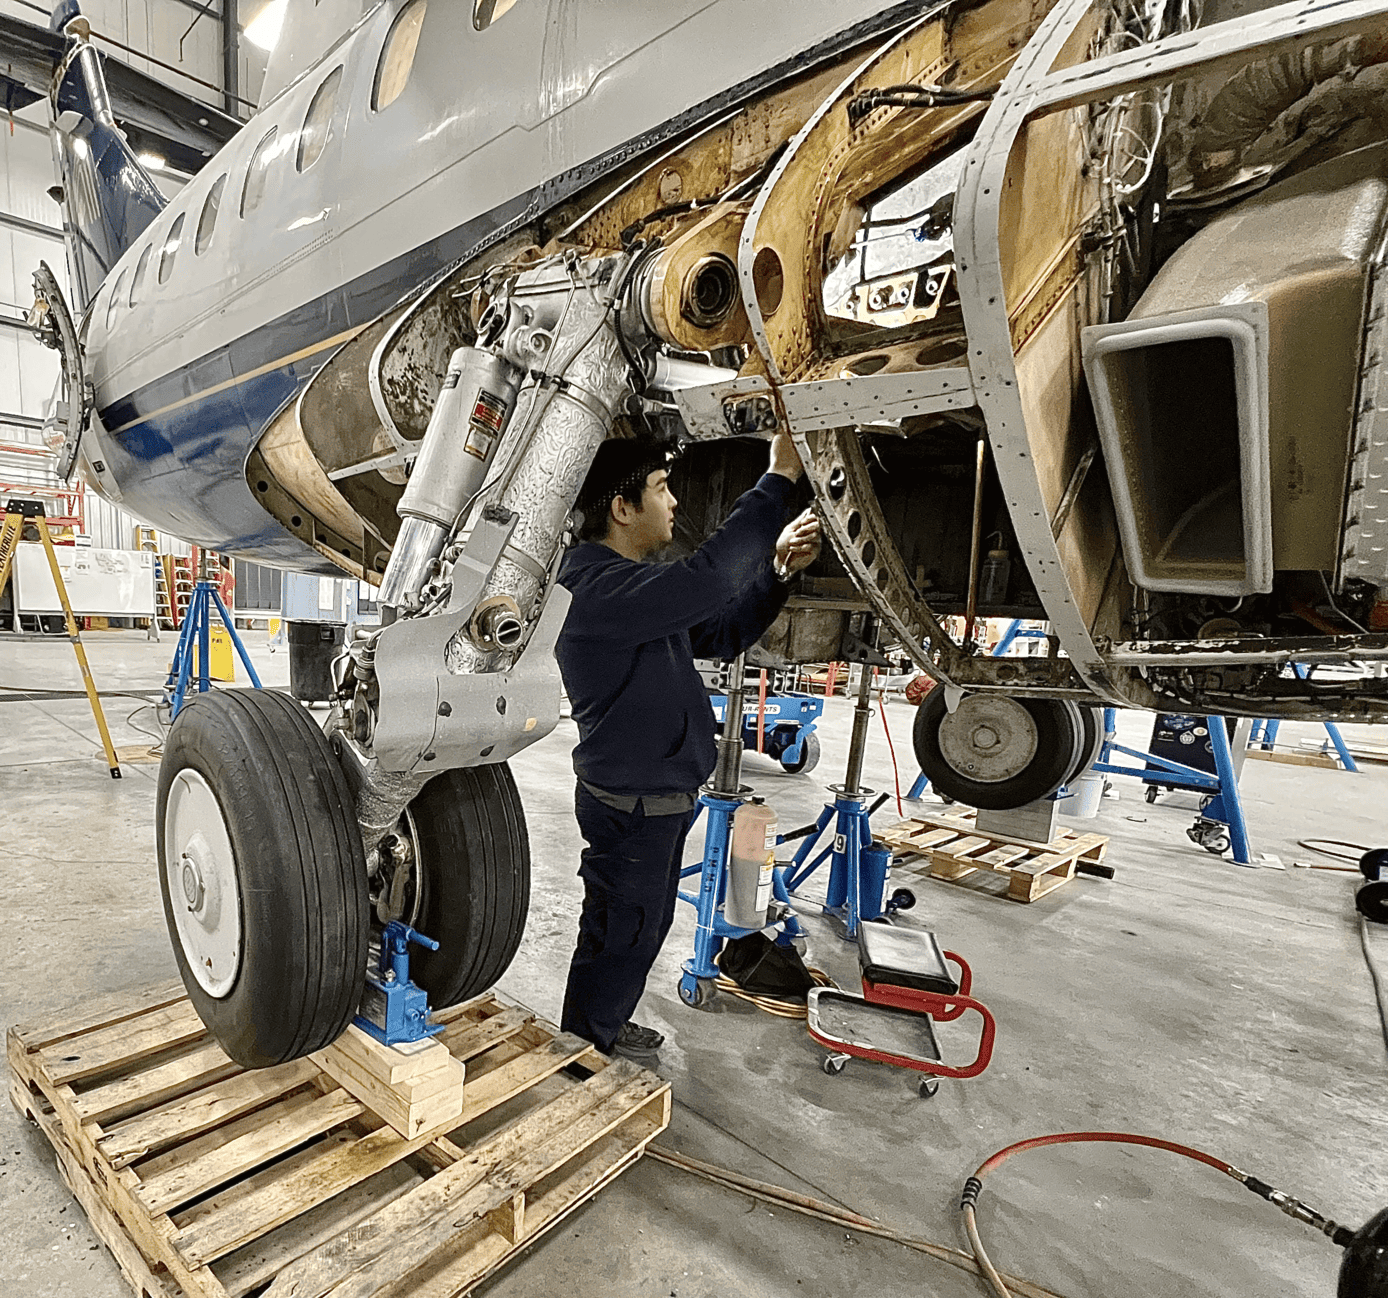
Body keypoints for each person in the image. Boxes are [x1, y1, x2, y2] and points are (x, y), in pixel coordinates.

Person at [555, 432, 822, 1061]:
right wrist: (778, 478)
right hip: (632, 804)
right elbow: (708, 580)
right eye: (661, 489)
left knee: (638, 927)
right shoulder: (591, 588)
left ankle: (603, 1024)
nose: (673, 502)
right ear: (622, 508)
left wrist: (777, 571)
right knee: (621, 931)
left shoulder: (632, 590)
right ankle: (584, 1050)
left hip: (658, 798)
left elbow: (721, 631)